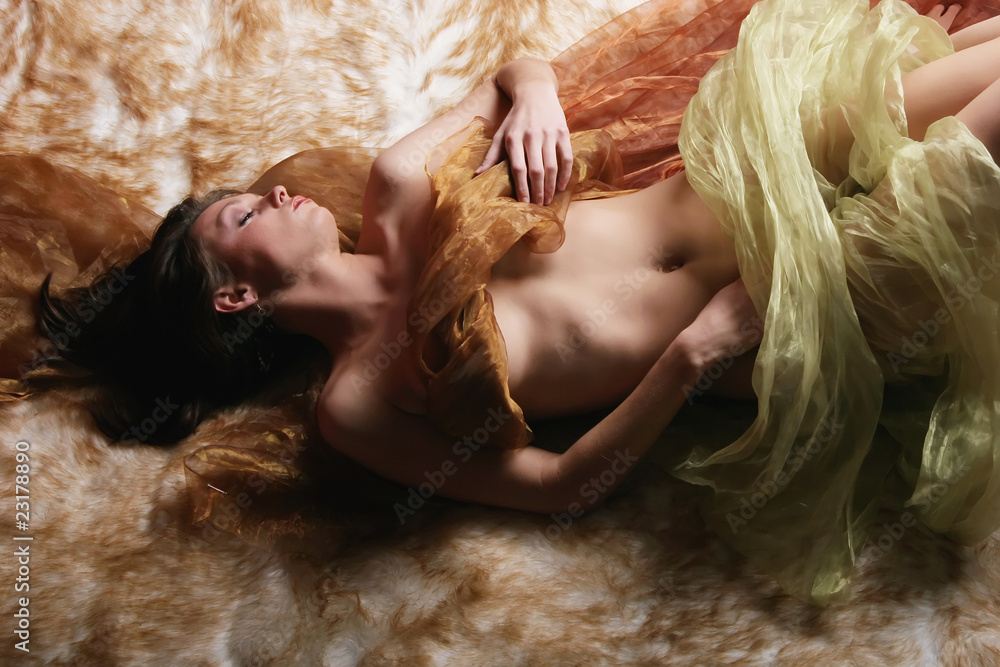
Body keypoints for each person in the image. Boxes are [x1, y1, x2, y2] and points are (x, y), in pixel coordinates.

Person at [31, 0, 1000, 604]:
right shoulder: (357, 403)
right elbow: (557, 485)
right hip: (791, 309)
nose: (277, 191)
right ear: (237, 295)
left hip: (760, 159)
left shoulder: (399, 188)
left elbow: (515, 74)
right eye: (243, 213)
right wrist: (692, 356)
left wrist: (534, 98)